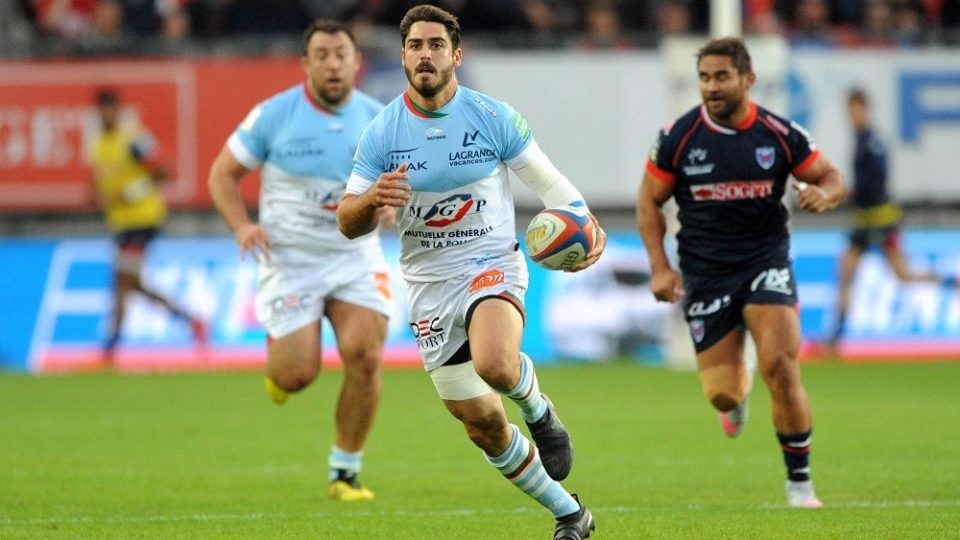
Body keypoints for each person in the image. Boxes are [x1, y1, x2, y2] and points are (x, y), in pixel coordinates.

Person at [337, 5, 605, 539]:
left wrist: (584, 225)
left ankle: (540, 411)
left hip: (490, 264)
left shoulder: (492, 116)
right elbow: (347, 221)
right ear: (404, 55)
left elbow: (552, 185)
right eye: (415, 46)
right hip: (428, 287)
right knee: (481, 426)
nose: (425, 55)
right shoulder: (382, 132)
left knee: (497, 364)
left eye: (436, 45)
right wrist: (371, 200)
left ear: (456, 55)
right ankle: (570, 515)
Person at [636, 37, 845, 508]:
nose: (711, 87)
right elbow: (649, 200)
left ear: (748, 79)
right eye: (705, 78)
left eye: (721, 77)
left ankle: (800, 486)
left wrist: (825, 196)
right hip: (706, 272)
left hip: (764, 261)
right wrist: (660, 267)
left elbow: (831, 177)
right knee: (724, 397)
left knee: (782, 367)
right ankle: (739, 388)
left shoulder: (779, 133)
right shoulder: (679, 137)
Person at [207, 19, 391, 502]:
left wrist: (389, 201)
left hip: (354, 256)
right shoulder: (273, 115)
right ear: (306, 64)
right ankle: (280, 366)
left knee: (366, 356)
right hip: (291, 261)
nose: (333, 64)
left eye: (341, 55)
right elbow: (222, 175)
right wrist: (243, 226)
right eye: (323, 55)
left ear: (356, 62)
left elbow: (397, 184)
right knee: (295, 374)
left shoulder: (379, 120)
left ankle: (344, 473)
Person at [828, 88, 953, 354]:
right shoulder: (863, 139)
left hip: (882, 219)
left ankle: (948, 282)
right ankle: (836, 337)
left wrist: (844, 194)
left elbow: (875, 183)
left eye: (856, 110)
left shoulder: (872, 141)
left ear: (866, 109)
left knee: (902, 275)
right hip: (865, 220)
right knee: (846, 272)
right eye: (849, 111)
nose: (852, 116)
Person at [89, 88, 206, 362]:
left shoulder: (133, 138)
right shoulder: (98, 144)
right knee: (130, 283)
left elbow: (164, 170)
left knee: (122, 281)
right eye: (101, 111)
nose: (106, 115)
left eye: (110, 109)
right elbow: (103, 181)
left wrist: (129, 193)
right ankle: (191, 320)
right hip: (120, 222)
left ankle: (110, 349)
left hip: (143, 218)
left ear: (117, 110)